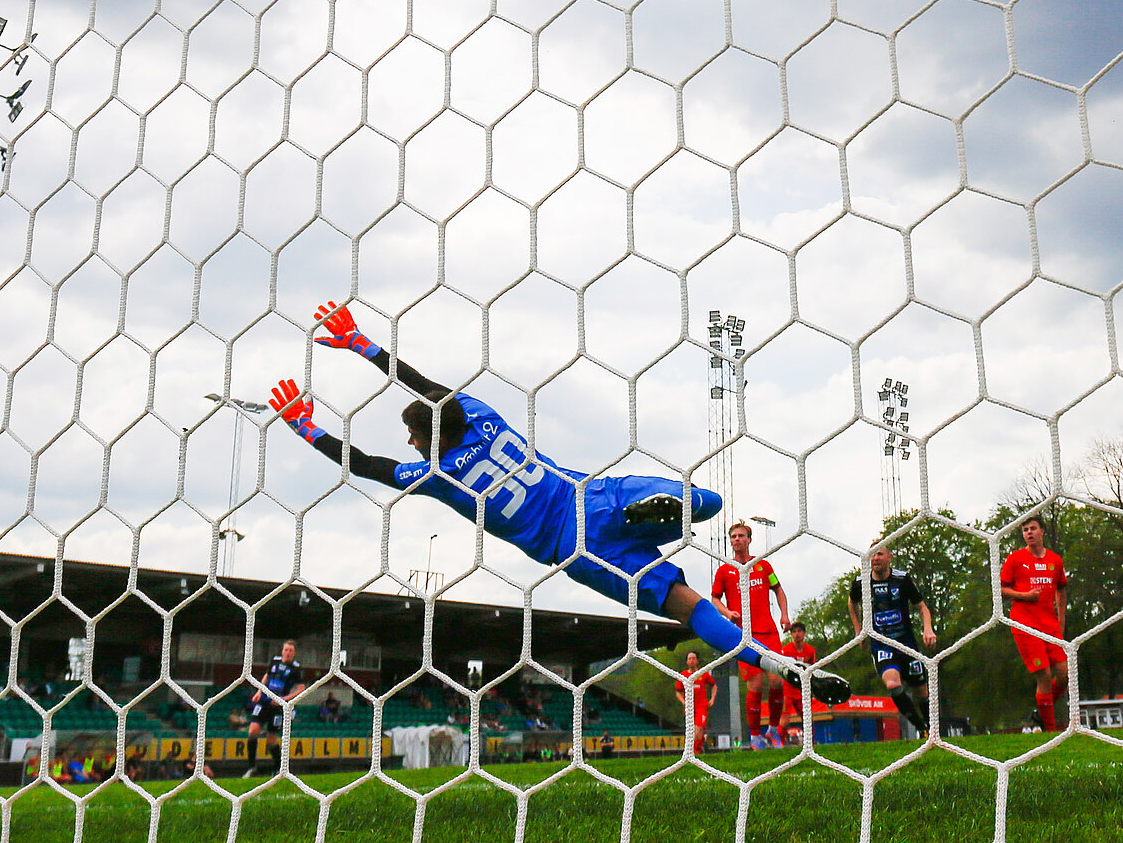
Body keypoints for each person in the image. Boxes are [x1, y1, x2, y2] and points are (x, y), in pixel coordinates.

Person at [268, 301, 850, 707]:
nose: (411, 444)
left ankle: (782, 669)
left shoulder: (440, 474)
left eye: (414, 438)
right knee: (709, 501)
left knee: (685, 607)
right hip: (591, 495)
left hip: (579, 550)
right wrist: (363, 345)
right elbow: (425, 384)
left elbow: (364, 464)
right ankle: (677, 509)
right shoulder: (484, 418)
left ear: (428, 443)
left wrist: (307, 429)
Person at [712, 521, 791, 749]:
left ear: (749, 539)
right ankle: (755, 736)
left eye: (741, 536)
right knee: (755, 686)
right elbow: (715, 598)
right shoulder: (725, 570)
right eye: (734, 536)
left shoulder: (763, 566)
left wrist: (784, 615)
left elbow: (778, 589)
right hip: (743, 635)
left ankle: (773, 731)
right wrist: (727, 612)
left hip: (768, 632)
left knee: (777, 681)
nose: (737, 539)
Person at [849, 545, 937, 739]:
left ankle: (934, 731)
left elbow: (922, 607)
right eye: (871, 555)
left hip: (906, 643)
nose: (875, 558)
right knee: (892, 684)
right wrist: (859, 630)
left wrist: (928, 628)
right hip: (882, 644)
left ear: (889, 557)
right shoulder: (861, 583)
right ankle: (922, 728)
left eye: (879, 554)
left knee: (921, 692)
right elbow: (852, 601)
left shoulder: (902, 579)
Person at [1000, 516, 1068, 731]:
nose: (1029, 533)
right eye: (1025, 530)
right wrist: (1024, 595)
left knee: (1064, 675)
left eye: (1033, 529)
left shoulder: (1055, 561)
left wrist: (1061, 620)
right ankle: (1050, 730)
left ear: (1042, 531)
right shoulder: (1015, 559)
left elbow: (1062, 588)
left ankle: (1041, 712)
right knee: (1045, 675)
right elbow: (1000, 590)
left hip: (1050, 624)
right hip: (1024, 625)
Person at [244, 639, 306, 777]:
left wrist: (284, 700)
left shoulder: (296, 669)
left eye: (291, 651)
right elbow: (266, 676)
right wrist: (259, 691)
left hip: (278, 706)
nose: (288, 653)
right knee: (253, 731)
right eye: (286, 650)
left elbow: (301, 689)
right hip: (264, 701)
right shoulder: (275, 661)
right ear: (282, 651)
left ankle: (278, 769)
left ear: (294, 653)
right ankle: (251, 767)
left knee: (271, 741)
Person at [778, 622, 819, 742]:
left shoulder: (810, 651)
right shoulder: (786, 650)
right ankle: (780, 742)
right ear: (791, 635)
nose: (797, 634)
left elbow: (813, 669)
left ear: (804, 633)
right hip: (788, 689)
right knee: (785, 718)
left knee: (807, 717)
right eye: (794, 632)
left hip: (802, 690)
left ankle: (810, 742)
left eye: (799, 631)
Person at [676, 649, 717, 755]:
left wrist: (712, 698)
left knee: (698, 729)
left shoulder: (702, 674)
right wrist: (683, 702)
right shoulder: (683, 675)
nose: (691, 661)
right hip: (689, 707)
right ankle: (699, 744)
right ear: (687, 662)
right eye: (689, 659)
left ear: (697, 661)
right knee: (692, 731)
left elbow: (714, 685)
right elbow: (678, 692)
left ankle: (695, 752)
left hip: (701, 706)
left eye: (693, 658)